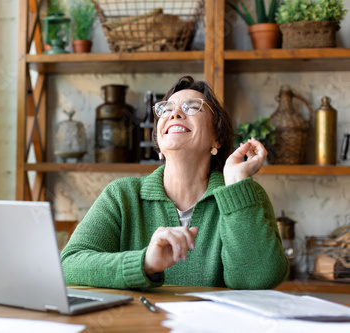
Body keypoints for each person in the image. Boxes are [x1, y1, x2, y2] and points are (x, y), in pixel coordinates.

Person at [61, 76, 289, 290]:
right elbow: (69, 265)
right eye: (166, 109)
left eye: (191, 107)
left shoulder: (245, 194)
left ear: (216, 137)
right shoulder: (121, 195)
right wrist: (145, 263)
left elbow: (258, 280)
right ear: (159, 144)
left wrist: (236, 183)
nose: (175, 113)